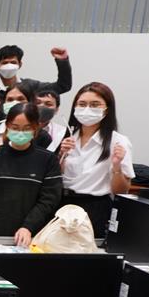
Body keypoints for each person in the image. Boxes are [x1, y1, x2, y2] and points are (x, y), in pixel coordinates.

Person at [0, 103, 62, 248]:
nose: (20, 132)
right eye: (15, 127)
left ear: (35, 128)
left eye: (26, 128)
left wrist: (28, 226)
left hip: (25, 236)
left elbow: (49, 199)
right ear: (7, 126)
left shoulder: (47, 159)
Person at [58, 82, 134, 237]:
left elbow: (121, 190)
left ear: (107, 109)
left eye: (95, 105)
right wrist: (61, 156)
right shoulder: (65, 136)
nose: (87, 109)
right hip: (62, 204)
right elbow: (53, 177)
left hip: (95, 208)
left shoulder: (118, 142)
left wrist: (117, 166)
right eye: (82, 104)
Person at [0, 45, 72, 103]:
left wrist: (62, 61)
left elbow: (63, 86)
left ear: (20, 65)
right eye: (5, 63)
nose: (9, 66)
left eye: (13, 62)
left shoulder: (30, 86)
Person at [34, 88, 66, 152]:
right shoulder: (19, 128)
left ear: (56, 110)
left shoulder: (62, 132)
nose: (42, 106)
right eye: (38, 103)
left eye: (48, 104)